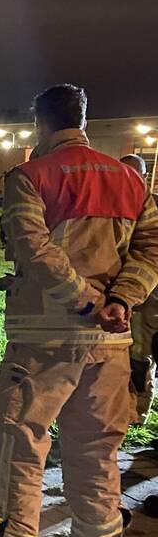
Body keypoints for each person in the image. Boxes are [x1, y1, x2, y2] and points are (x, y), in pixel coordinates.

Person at [0, 84, 158, 537]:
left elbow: (33, 250)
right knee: (97, 451)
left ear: (40, 122)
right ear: (84, 119)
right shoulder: (131, 180)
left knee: (21, 445)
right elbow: (151, 252)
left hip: (47, 341)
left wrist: (85, 300)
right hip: (112, 342)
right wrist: (119, 301)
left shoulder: (30, 177)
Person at [122, 154, 158, 426]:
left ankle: (137, 415)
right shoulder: (116, 206)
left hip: (151, 298)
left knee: (142, 356)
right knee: (130, 354)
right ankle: (127, 408)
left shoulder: (152, 207)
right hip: (126, 296)